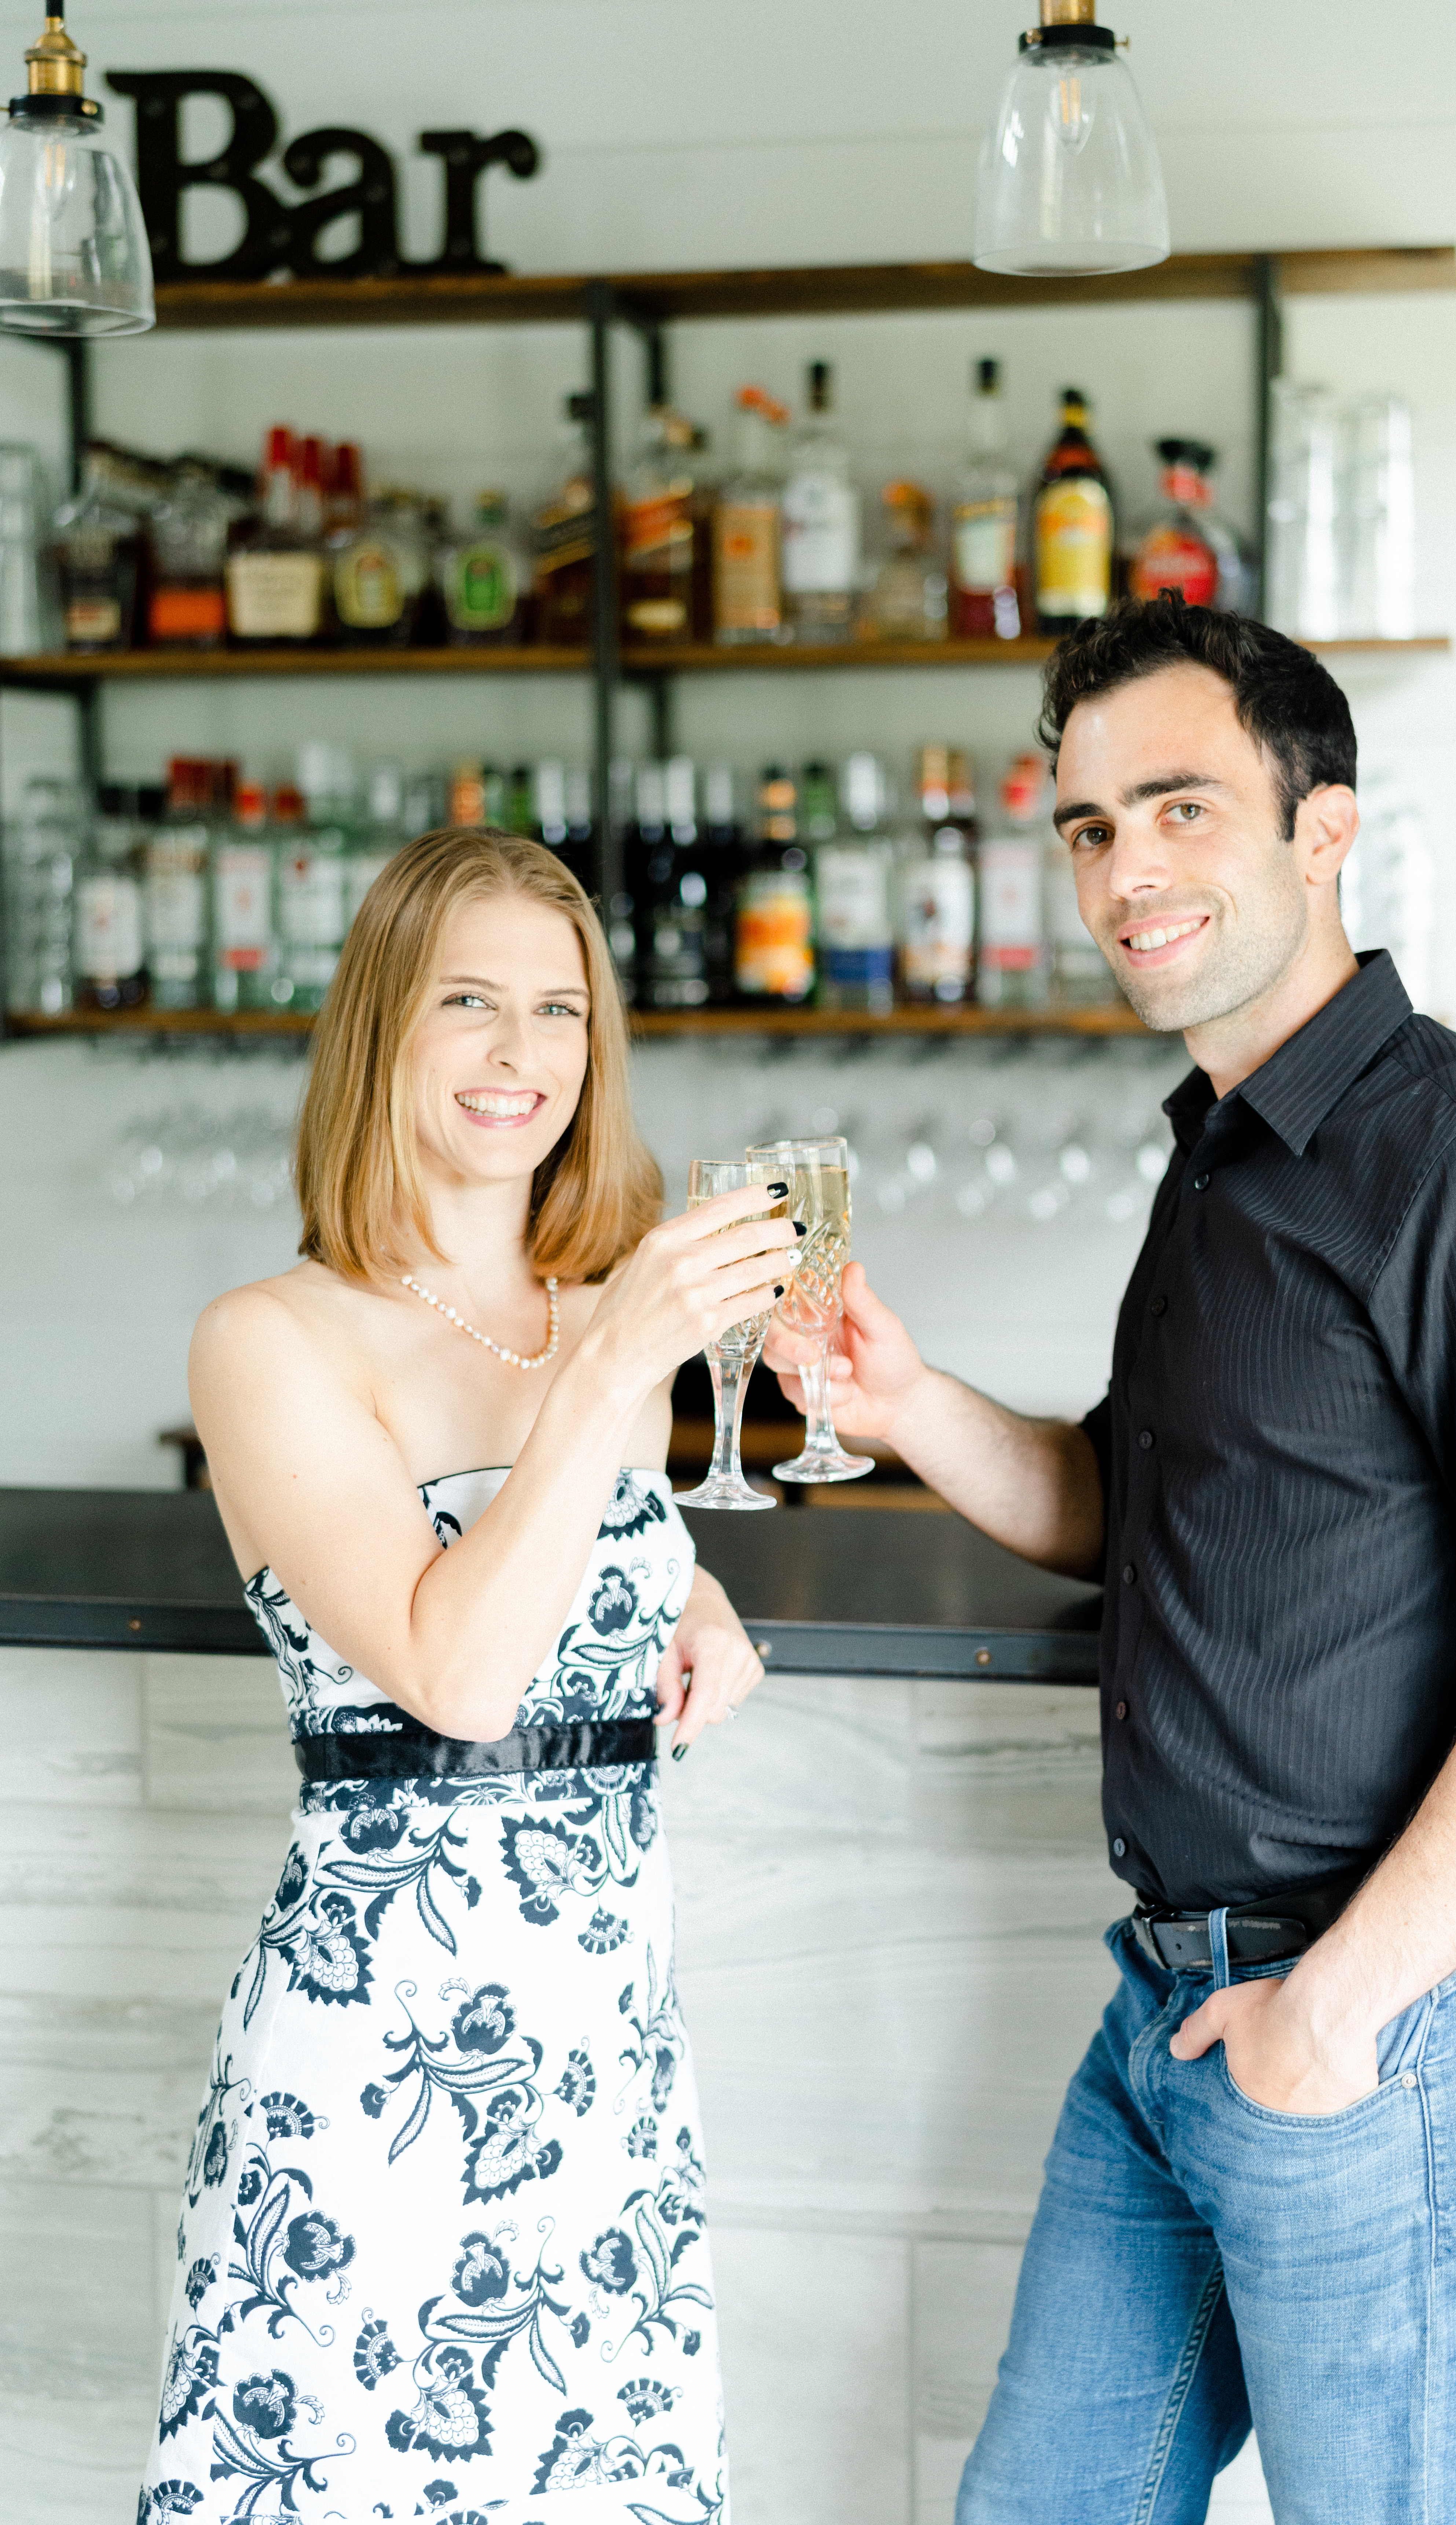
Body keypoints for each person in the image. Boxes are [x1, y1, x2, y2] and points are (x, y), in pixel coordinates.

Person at [779, 599, 1456, 2522]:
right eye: (1092, 828)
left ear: (1322, 825)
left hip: (1393, 2016)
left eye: (1179, 807)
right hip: (1176, 2006)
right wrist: (915, 1398)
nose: (1127, 871)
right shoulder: (1223, 1151)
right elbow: (1141, 1506)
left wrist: (1340, 2009)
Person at [139, 826, 793, 2524]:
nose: (523, 1059)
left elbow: (570, 1555)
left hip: (603, 2062)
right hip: (380, 2074)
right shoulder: (270, 1338)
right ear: (382, 1030)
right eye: (470, 1006)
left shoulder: (593, 1314)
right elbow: (455, 1675)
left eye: (562, 1012)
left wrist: (688, 1590)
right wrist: (613, 1372)